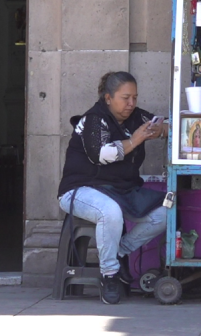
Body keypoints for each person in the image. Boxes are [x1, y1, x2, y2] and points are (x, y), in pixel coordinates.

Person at [57, 71, 168, 305]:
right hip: (80, 189)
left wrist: (161, 129)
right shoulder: (94, 119)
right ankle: (109, 275)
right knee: (110, 212)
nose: (131, 103)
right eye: (125, 98)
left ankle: (118, 252)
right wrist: (136, 140)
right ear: (108, 98)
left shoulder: (135, 116)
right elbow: (101, 155)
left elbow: (161, 123)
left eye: (135, 98)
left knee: (168, 211)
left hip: (121, 190)